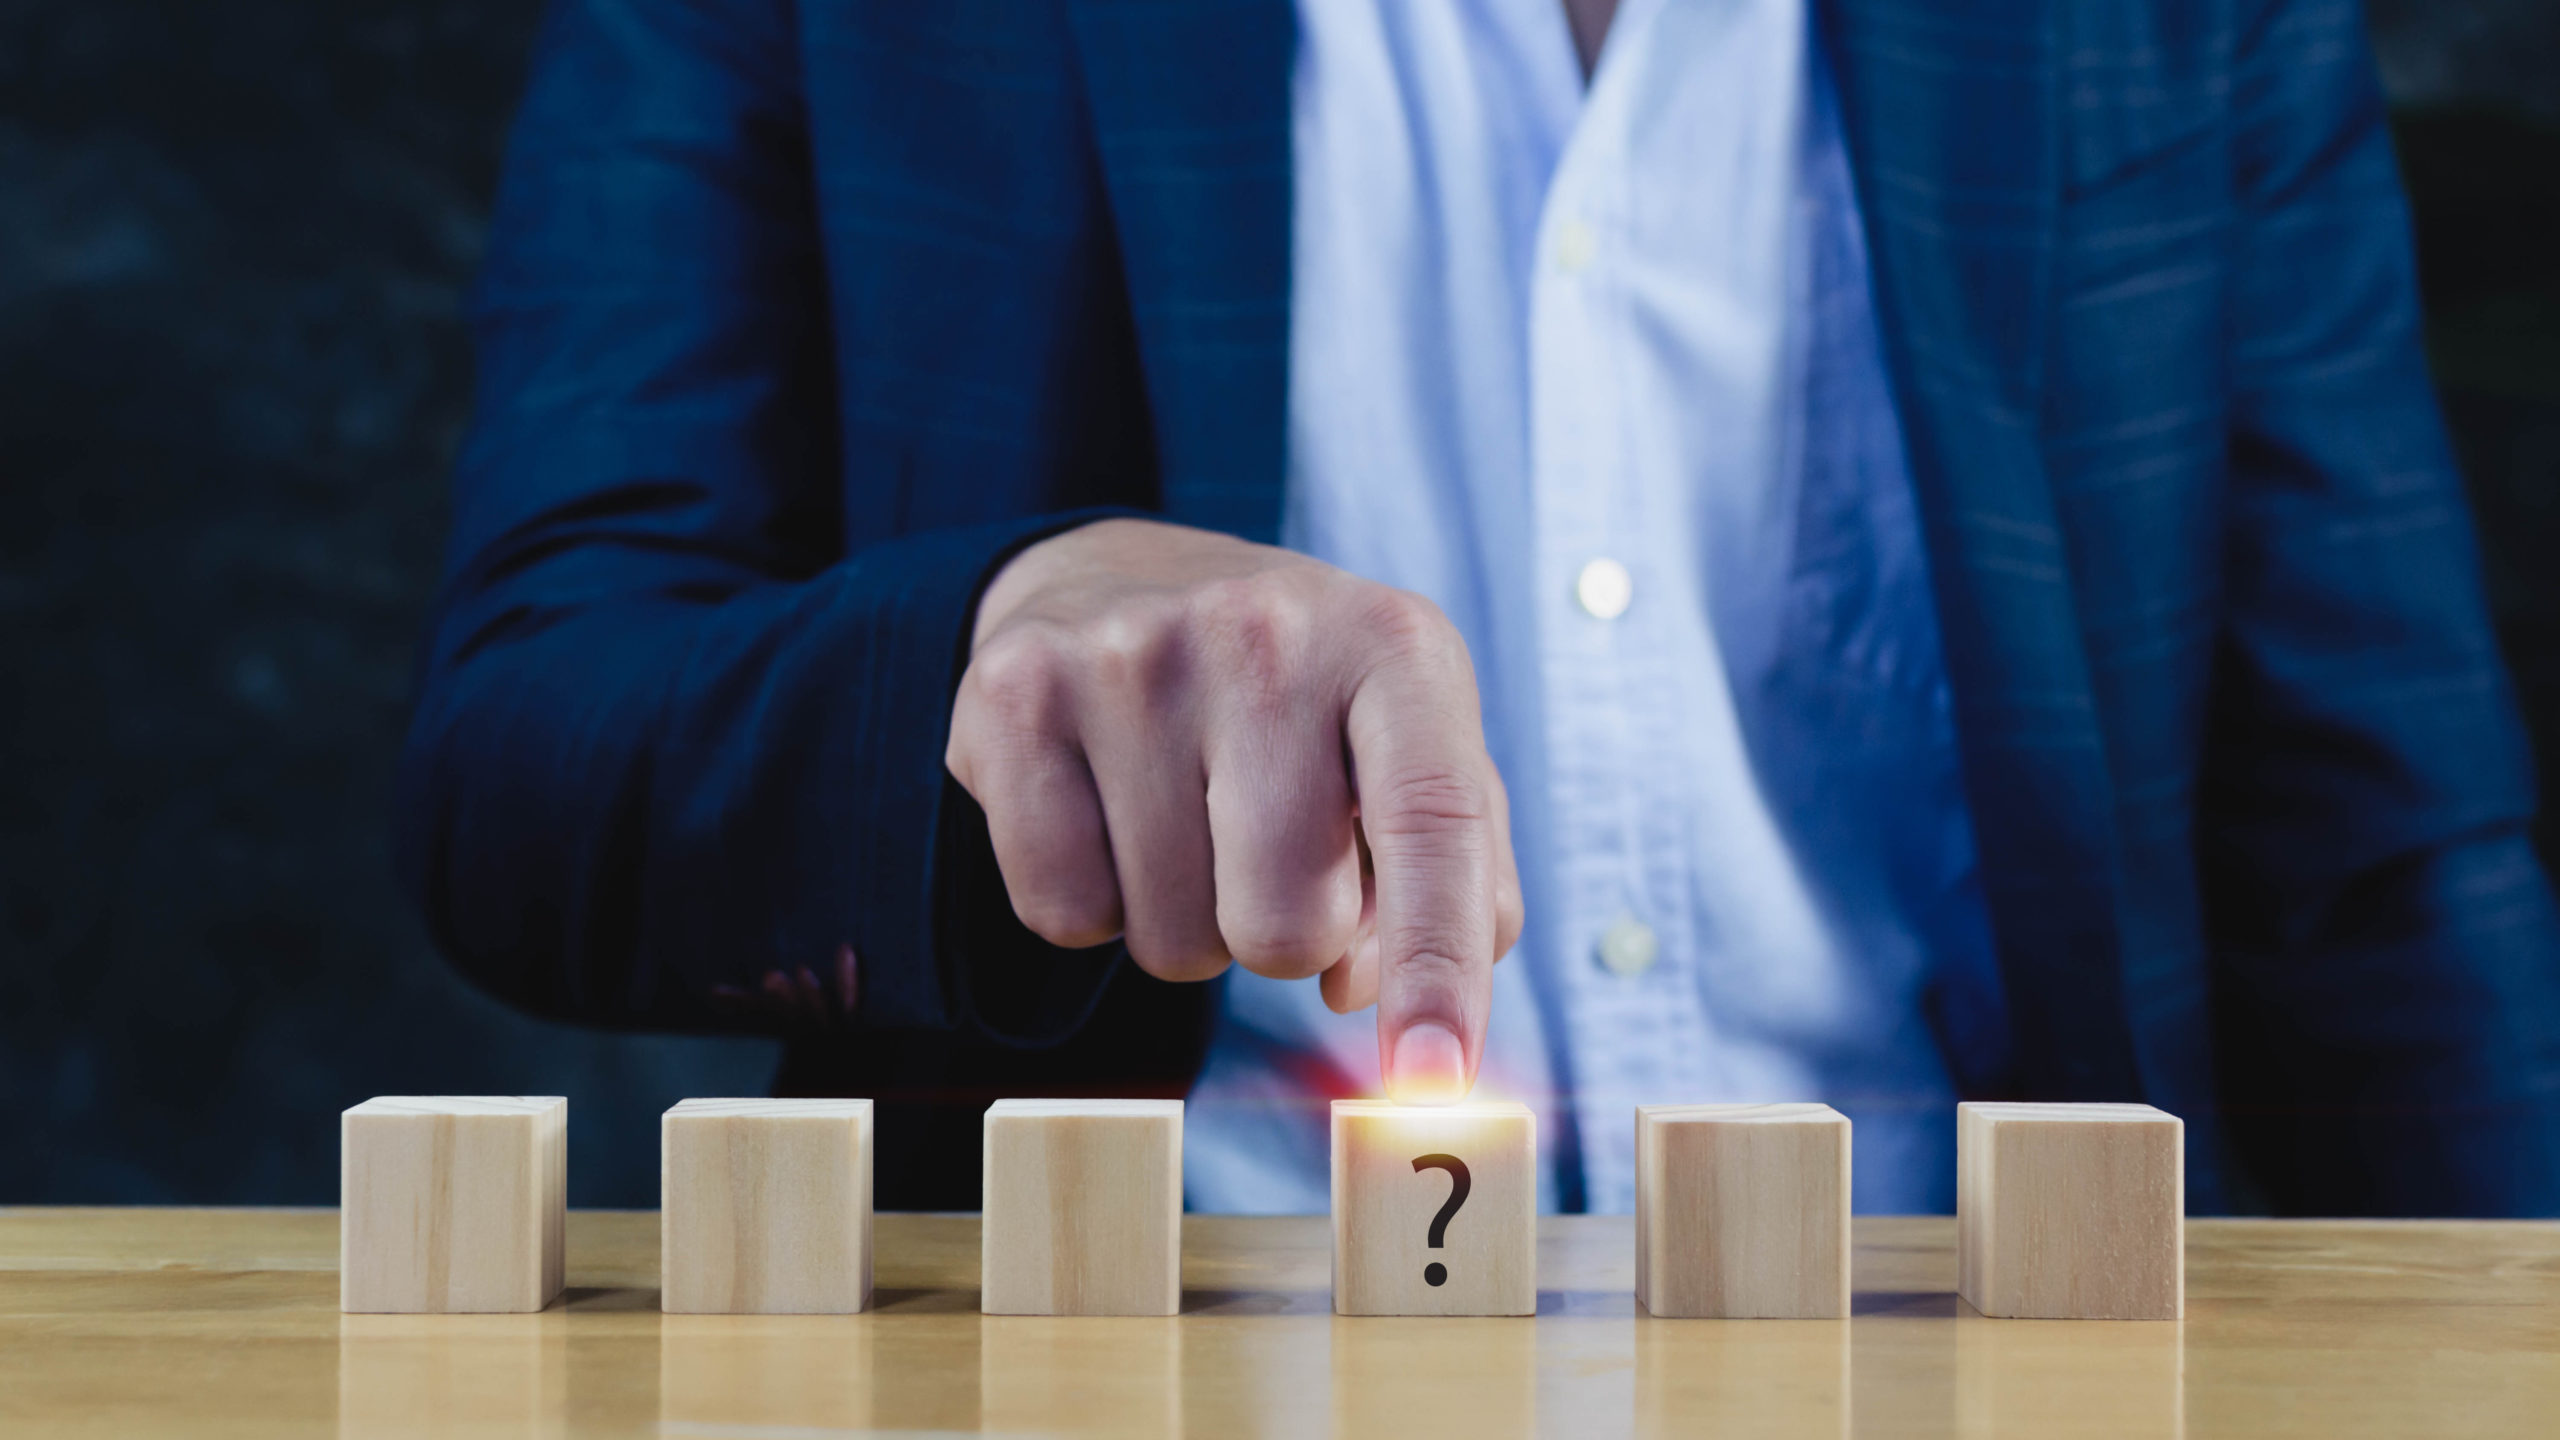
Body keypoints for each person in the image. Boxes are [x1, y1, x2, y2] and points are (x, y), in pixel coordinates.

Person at [397, 0, 2560, 1215]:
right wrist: (989, 637)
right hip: (1135, 1339)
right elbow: (525, 769)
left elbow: (2379, 868)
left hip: (1982, 1333)